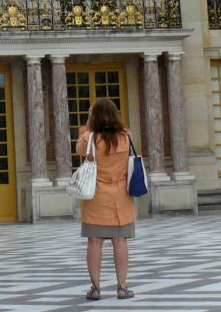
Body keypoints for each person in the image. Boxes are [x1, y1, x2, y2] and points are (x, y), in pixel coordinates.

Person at [75, 98, 135, 301]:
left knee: (94, 242)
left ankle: (95, 287)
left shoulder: (89, 138)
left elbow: (79, 149)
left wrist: (89, 122)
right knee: (120, 241)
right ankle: (122, 286)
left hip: (97, 195)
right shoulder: (126, 137)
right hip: (121, 195)